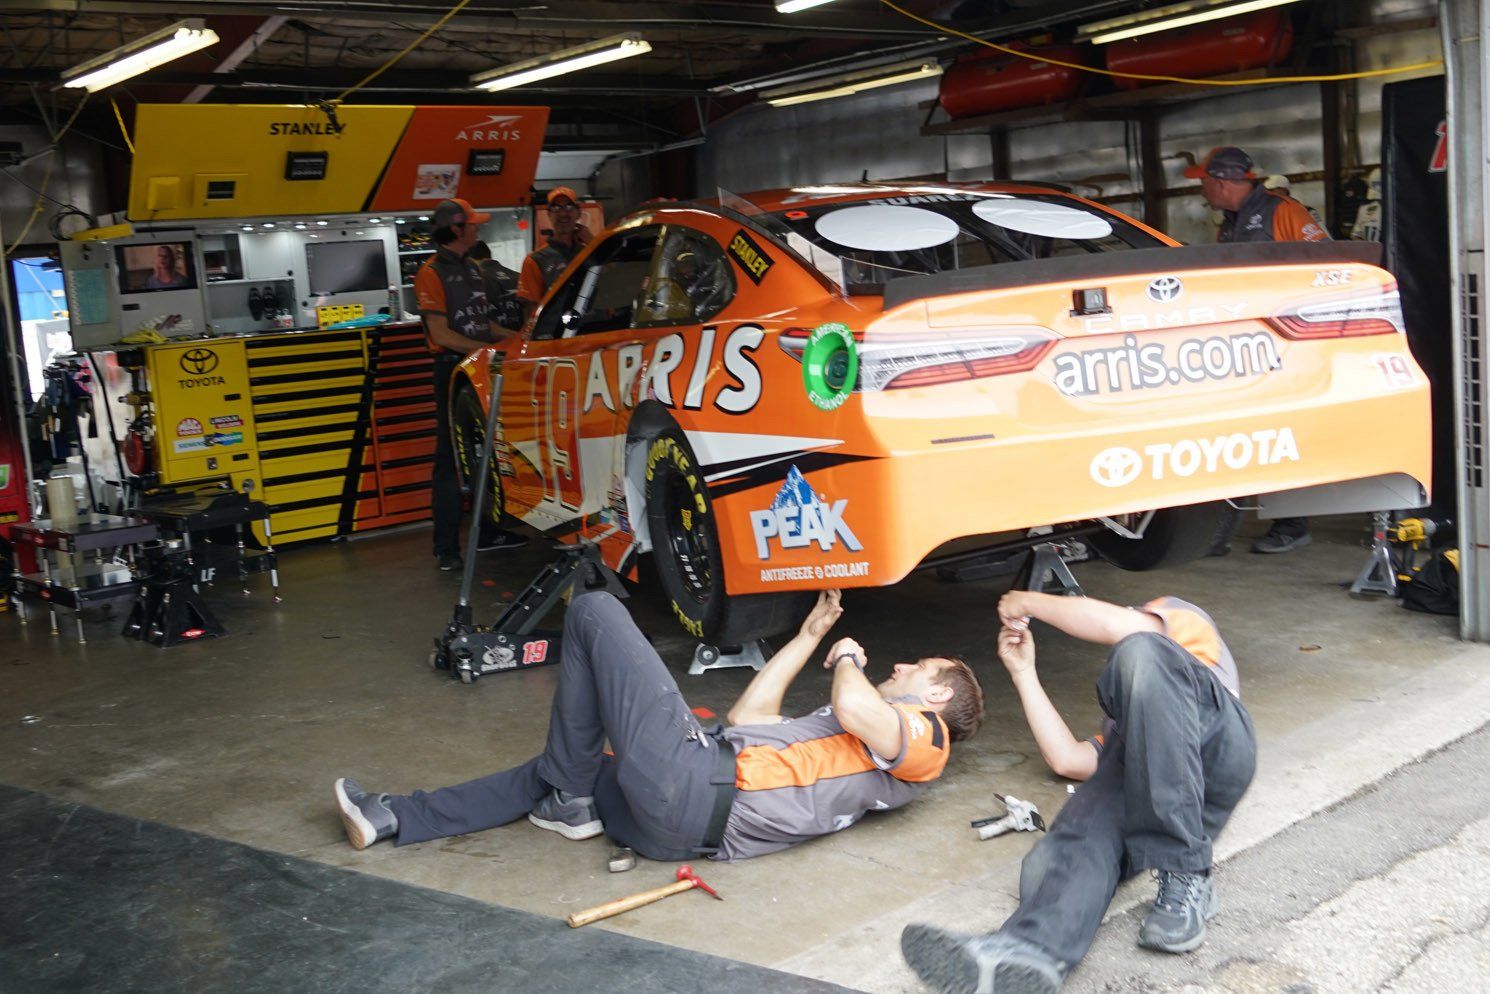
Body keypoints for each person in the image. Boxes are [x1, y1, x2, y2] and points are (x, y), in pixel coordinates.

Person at [334, 589, 985, 862]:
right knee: (558, 775)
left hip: (696, 785)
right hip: (680, 826)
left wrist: (846, 657)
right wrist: (811, 635)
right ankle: (395, 817)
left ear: (936, 693)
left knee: (593, 609)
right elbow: (747, 717)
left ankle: (571, 793)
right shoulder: (854, 748)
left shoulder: (928, 740)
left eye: (919, 666)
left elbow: (853, 705)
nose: (902, 665)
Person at [901, 590, 1256, 994]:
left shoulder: (1181, 627)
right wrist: (1022, 672)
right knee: (1063, 851)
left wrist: (1026, 602)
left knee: (1140, 652)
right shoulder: (1135, 725)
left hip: (1222, 745)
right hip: (1157, 780)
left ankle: (1186, 871)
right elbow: (1068, 760)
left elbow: (1120, 631)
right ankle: (1023, 954)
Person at [1188, 145, 1328, 555]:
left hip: (1287, 341)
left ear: (1220, 181)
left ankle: (1292, 523)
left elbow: (1325, 262)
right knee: (1241, 433)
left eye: (1203, 182)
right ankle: (1219, 533)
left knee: (1283, 432)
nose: (1202, 191)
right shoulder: (1230, 223)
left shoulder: (1283, 211)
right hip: (1245, 344)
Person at [413, 197, 527, 572]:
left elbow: (485, 324)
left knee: (488, 452)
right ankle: (446, 548)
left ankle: (492, 531)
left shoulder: (475, 270)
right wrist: (487, 350)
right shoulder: (430, 272)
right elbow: (440, 333)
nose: (478, 228)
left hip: (480, 369)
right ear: (456, 230)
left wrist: (518, 341)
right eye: (472, 224)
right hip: (451, 371)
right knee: (450, 461)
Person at [516, 186, 592, 321]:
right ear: (549, 214)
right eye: (556, 208)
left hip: (598, 329)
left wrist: (592, 242)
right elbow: (531, 313)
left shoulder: (590, 251)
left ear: (578, 213)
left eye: (569, 207)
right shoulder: (535, 260)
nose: (563, 213)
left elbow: (614, 280)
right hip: (559, 337)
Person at [466, 240, 525, 332]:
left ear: (469, 260)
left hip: (496, 340)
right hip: (523, 337)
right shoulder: (519, 276)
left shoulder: (477, 281)